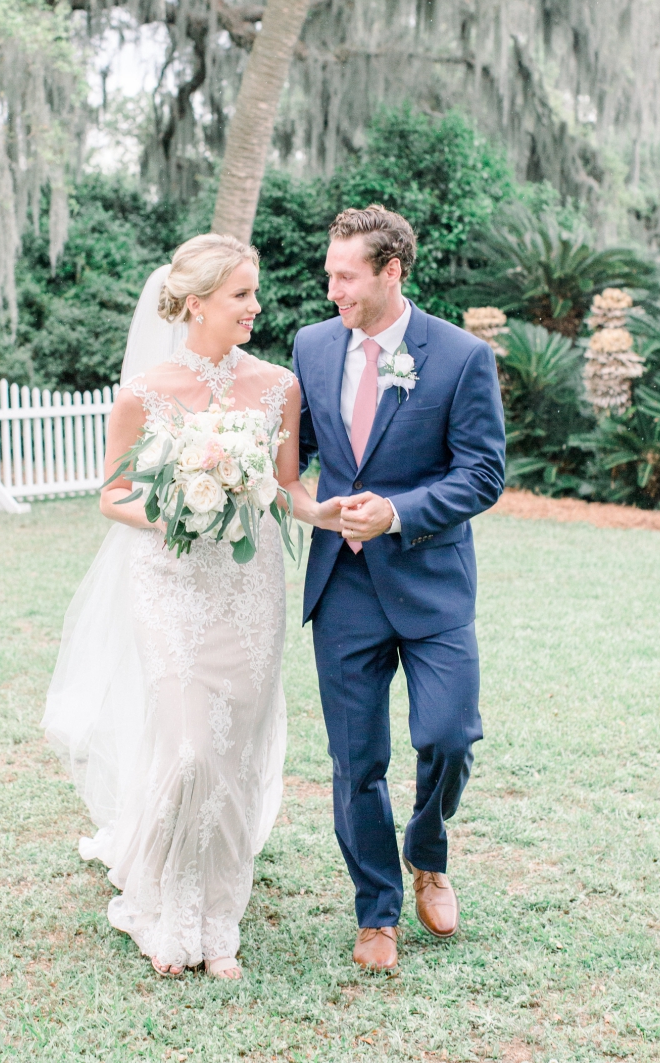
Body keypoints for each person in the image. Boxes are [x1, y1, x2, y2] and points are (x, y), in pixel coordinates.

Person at [42, 234, 301, 981]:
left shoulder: (278, 386)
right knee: (189, 746)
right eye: (241, 294)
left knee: (231, 752)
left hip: (248, 592)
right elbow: (112, 493)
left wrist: (335, 512)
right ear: (196, 303)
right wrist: (179, 513)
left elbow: (285, 489)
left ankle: (217, 922)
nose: (256, 306)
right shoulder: (143, 391)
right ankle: (164, 908)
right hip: (171, 584)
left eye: (255, 292)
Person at [288, 205, 505, 973]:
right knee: (357, 758)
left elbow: (483, 473)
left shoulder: (460, 356)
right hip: (342, 583)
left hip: (432, 582)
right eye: (328, 273)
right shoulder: (312, 346)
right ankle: (376, 909)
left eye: (345, 275)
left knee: (448, 735)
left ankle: (428, 850)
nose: (331, 288)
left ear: (391, 271)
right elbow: (296, 449)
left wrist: (399, 512)